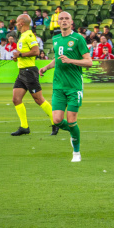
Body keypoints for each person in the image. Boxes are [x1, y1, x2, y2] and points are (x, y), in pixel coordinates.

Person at [38, 12, 92, 162]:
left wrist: (71, 60)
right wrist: (46, 67)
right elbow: (57, 59)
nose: (63, 21)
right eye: (61, 19)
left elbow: (88, 62)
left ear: (71, 22)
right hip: (58, 86)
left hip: (74, 86)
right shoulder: (55, 39)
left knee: (71, 120)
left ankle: (76, 152)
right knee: (56, 120)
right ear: (58, 22)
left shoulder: (78, 39)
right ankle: (74, 133)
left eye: (66, 18)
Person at [10, 14, 56, 136]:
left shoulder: (29, 35)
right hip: (22, 71)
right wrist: (17, 57)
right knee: (16, 99)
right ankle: (24, 127)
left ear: (21, 23)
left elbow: (36, 51)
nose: (16, 24)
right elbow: (24, 53)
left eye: (17, 22)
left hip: (29, 71)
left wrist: (20, 55)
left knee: (38, 99)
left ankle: (55, 121)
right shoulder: (23, 36)